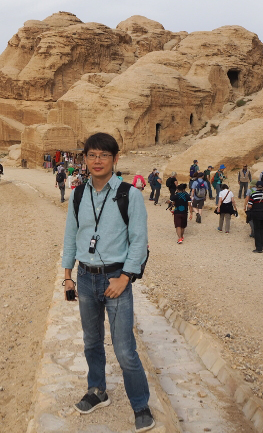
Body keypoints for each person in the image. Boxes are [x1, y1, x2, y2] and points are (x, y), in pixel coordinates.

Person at [61, 132, 154, 432]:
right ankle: (97, 390)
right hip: (85, 278)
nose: (97, 160)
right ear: (85, 159)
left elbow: (139, 241)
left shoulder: (130, 194)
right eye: (92, 155)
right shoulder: (78, 194)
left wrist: (125, 278)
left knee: (125, 349)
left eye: (104, 155)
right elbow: (71, 236)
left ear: (115, 159)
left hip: (116, 279)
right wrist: (67, 277)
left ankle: (140, 404)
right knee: (91, 342)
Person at [247, 180, 263, 253]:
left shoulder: (253, 195)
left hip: (256, 214)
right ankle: (262, 245)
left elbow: (249, 205)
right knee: (262, 229)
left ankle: (258, 248)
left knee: (257, 230)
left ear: (256, 187)